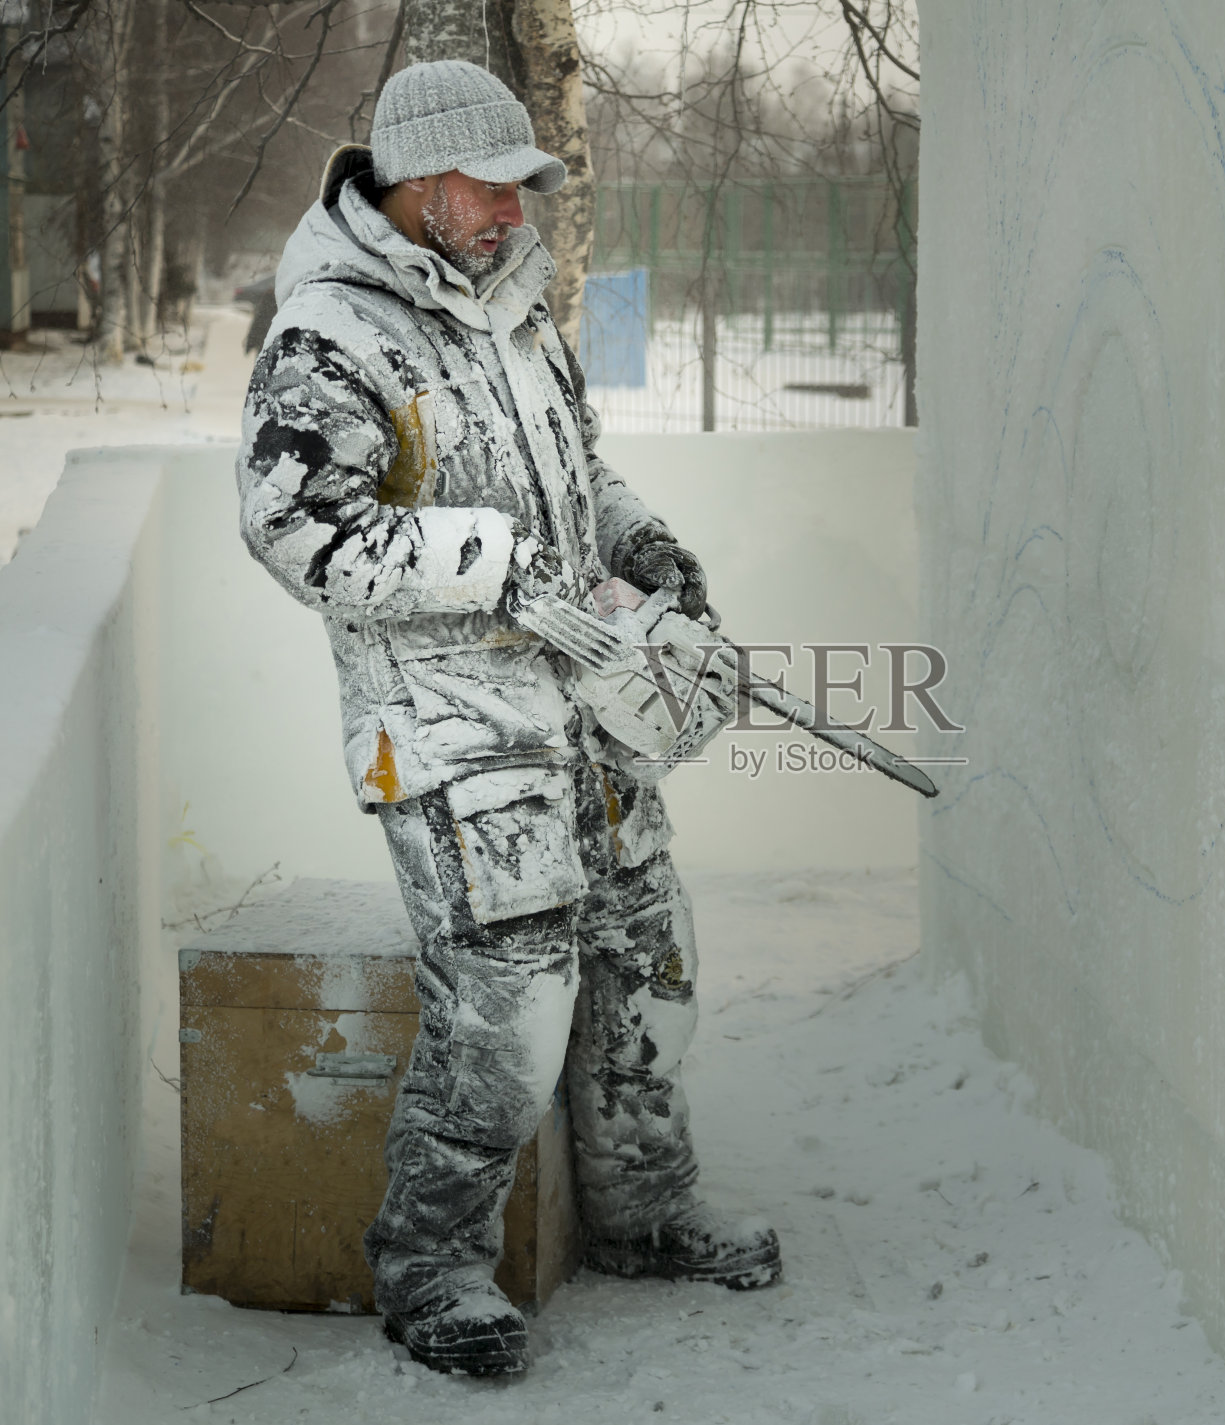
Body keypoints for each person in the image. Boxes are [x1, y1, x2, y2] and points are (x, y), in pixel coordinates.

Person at [235, 58, 780, 1379]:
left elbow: (576, 465)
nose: (515, 211)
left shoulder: (512, 306)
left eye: (527, 186)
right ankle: (431, 1265)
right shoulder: (332, 329)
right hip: (453, 728)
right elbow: (294, 524)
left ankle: (646, 1208)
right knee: (510, 1000)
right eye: (493, 186)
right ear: (420, 176)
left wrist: (641, 543)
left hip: (586, 701)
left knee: (648, 955)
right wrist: (490, 562)